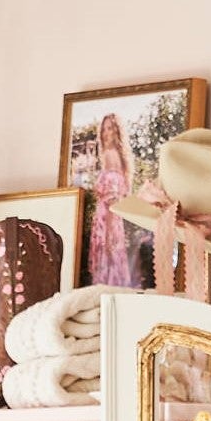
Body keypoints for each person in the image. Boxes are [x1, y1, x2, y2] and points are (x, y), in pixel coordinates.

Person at [85, 109, 133, 289]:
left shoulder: (110, 154)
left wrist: (109, 231)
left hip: (108, 219)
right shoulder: (116, 157)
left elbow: (113, 197)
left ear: (117, 131)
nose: (106, 133)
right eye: (104, 129)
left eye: (110, 128)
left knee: (108, 257)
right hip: (109, 218)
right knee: (112, 257)